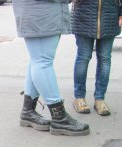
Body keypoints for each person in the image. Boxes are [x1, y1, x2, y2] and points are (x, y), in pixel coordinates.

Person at [12, 0, 90, 136]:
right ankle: (59, 118)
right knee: (42, 62)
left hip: (40, 13)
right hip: (40, 14)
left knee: (37, 60)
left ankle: (28, 111)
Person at [71, 0, 122, 116]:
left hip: (109, 15)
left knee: (104, 59)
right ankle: (79, 98)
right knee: (83, 58)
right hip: (83, 15)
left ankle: (100, 99)